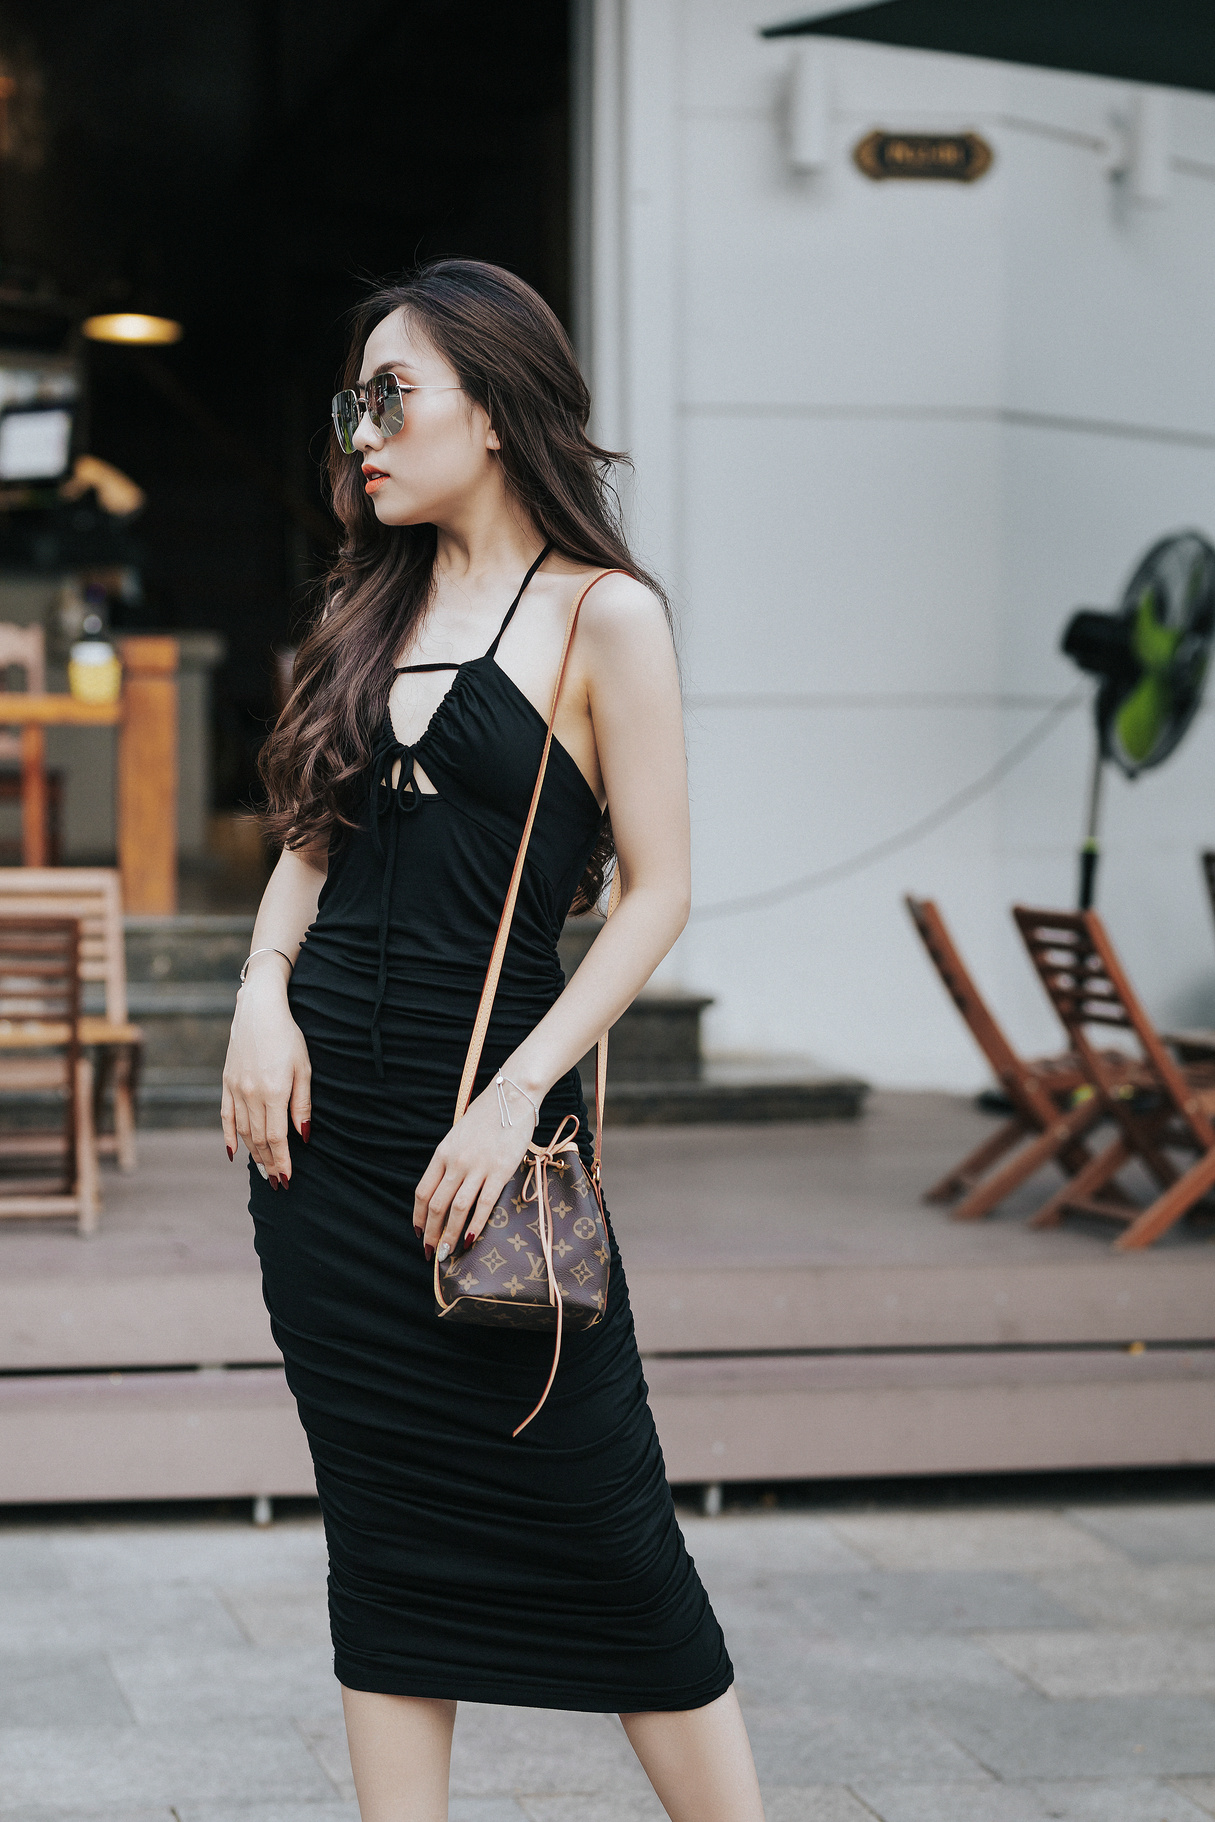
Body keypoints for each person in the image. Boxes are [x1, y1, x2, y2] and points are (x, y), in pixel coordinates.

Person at [222, 259, 765, 1822]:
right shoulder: (369, 604)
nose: (361, 433)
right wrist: (262, 992)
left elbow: (659, 892)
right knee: (381, 1530)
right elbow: (312, 840)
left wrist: (520, 1092)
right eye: (353, 404)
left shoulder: (608, 618)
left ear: (499, 404)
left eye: (391, 397)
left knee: (610, 1522)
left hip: (490, 1137)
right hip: (317, 1146)